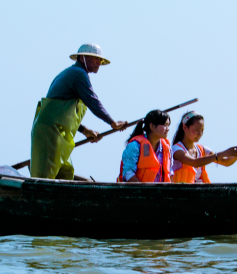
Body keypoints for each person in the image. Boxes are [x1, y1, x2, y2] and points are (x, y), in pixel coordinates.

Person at [30, 44, 126, 180]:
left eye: (100, 60)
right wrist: (112, 123)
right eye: (95, 59)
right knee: (45, 176)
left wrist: (85, 130)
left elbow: (62, 114)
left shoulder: (73, 73)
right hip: (50, 132)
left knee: (65, 174)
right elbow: (92, 101)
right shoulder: (78, 74)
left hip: (59, 132)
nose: (99, 63)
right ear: (82, 58)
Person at [170, 111, 237, 183]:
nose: (200, 133)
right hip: (181, 194)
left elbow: (226, 162)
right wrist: (223, 153)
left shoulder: (202, 149)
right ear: (185, 128)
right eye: (196, 130)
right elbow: (195, 162)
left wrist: (235, 155)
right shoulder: (176, 149)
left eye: (202, 130)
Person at [118, 110, 172, 182]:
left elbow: (170, 173)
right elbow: (128, 173)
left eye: (168, 125)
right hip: (137, 192)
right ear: (152, 126)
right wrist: (144, 191)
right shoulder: (135, 146)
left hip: (160, 192)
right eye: (165, 125)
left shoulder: (167, 149)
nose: (168, 129)